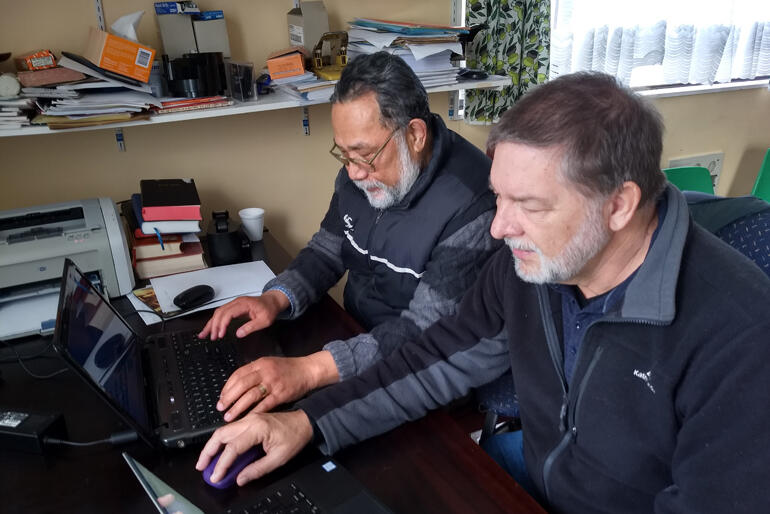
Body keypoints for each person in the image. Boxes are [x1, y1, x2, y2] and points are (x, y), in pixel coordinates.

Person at [196, 72, 770, 512]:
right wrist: (308, 422)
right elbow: (433, 360)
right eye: (499, 198)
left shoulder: (741, 337)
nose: (499, 227)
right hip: (538, 481)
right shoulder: (533, 267)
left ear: (618, 204)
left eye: (529, 205)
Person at [198, 52, 499, 420]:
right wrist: (275, 299)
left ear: (415, 135)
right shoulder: (364, 173)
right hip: (357, 339)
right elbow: (328, 249)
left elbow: (423, 333)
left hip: (420, 377)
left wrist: (310, 371)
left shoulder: (471, 207)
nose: (354, 173)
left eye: (363, 155)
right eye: (344, 154)